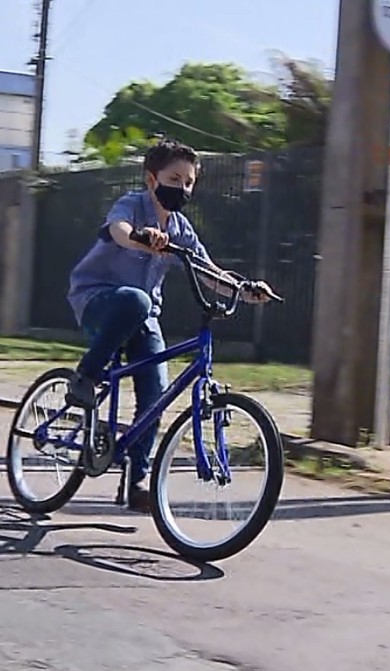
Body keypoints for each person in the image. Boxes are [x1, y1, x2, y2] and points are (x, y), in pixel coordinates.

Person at [65, 138, 275, 513]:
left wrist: (244, 290)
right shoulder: (133, 204)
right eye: (174, 178)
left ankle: (138, 480)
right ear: (151, 179)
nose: (183, 188)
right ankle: (86, 377)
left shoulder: (180, 228)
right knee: (135, 298)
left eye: (190, 182)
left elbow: (209, 272)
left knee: (157, 392)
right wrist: (140, 239)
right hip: (98, 300)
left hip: (143, 318)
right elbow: (118, 229)